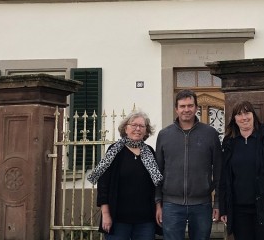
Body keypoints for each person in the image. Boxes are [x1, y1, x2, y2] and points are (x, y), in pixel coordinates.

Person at [218, 100, 264, 240]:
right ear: (234, 119)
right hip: (239, 210)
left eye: (247, 113)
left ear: (253, 115)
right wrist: (224, 208)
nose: (244, 117)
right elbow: (224, 177)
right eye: (239, 114)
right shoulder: (229, 142)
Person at [155, 90, 222, 240]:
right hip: (171, 204)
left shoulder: (210, 134)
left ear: (196, 107)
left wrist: (217, 202)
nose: (186, 109)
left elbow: (219, 171)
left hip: (202, 204)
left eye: (190, 105)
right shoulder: (164, 135)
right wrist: (158, 203)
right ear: (176, 109)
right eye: (182, 106)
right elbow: (158, 171)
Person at [88, 111, 163, 240]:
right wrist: (105, 214)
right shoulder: (114, 151)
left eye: (142, 126)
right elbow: (103, 183)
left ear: (146, 131)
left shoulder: (150, 152)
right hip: (118, 220)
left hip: (145, 221)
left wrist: (158, 207)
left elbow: (157, 185)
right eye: (134, 125)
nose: (138, 129)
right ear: (125, 128)